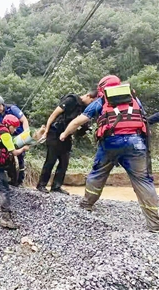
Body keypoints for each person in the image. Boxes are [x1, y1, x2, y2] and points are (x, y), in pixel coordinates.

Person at [59, 75, 159, 233]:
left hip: (110, 144)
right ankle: (154, 224)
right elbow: (143, 119)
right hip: (136, 144)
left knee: (98, 173)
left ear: (102, 88)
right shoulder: (134, 99)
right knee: (143, 181)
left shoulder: (102, 100)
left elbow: (79, 121)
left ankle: (86, 205)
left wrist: (64, 134)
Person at [36, 90, 98, 195]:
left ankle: (56, 186)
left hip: (66, 135)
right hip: (54, 132)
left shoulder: (84, 108)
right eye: (92, 101)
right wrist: (46, 131)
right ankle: (41, 185)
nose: (91, 104)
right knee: (51, 160)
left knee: (64, 161)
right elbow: (53, 115)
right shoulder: (71, 100)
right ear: (88, 96)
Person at [0, 115, 29, 230]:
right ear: (9, 125)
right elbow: (14, 152)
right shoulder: (6, 135)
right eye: (15, 127)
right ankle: (5, 219)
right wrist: (23, 149)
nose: (15, 130)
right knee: (4, 190)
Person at [0, 95, 30, 186]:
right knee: (8, 157)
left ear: (2, 104)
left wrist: (26, 136)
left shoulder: (12, 109)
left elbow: (24, 120)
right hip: (6, 137)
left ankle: (20, 180)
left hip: (19, 134)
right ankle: (11, 178)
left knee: (20, 157)